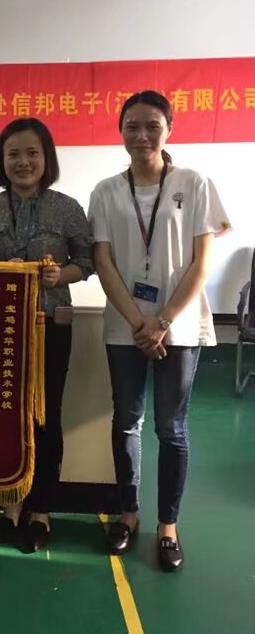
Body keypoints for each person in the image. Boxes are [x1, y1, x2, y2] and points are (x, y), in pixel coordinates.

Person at [88, 90, 230, 572]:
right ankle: (128, 514)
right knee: (126, 421)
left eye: (152, 125)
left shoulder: (194, 182)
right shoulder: (106, 191)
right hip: (125, 327)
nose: (142, 135)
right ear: (120, 130)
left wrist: (163, 320)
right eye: (132, 125)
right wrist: (138, 323)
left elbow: (201, 263)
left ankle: (168, 525)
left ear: (169, 128)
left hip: (180, 327)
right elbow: (103, 262)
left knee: (172, 428)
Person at [0, 118, 93, 553]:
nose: (23, 162)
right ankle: (10, 505)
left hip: (50, 325)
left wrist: (59, 275)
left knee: (45, 417)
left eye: (32, 153)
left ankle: (41, 511)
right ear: (1, 160)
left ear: (46, 158)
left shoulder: (67, 208)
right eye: (13, 154)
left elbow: (86, 262)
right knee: (3, 415)